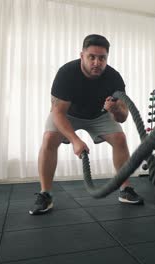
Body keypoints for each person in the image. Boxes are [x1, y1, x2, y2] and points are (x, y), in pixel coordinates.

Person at [29, 34, 143, 215]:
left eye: (102, 58)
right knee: (49, 137)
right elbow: (58, 112)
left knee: (120, 138)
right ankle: (46, 194)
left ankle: (125, 189)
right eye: (92, 57)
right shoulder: (66, 73)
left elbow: (123, 117)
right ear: (82, 55)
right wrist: (75, 140)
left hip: (99, 115)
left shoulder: (114, 78)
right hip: (68, 115)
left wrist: (114, 110)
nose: (97, 62)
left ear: (107, 58)